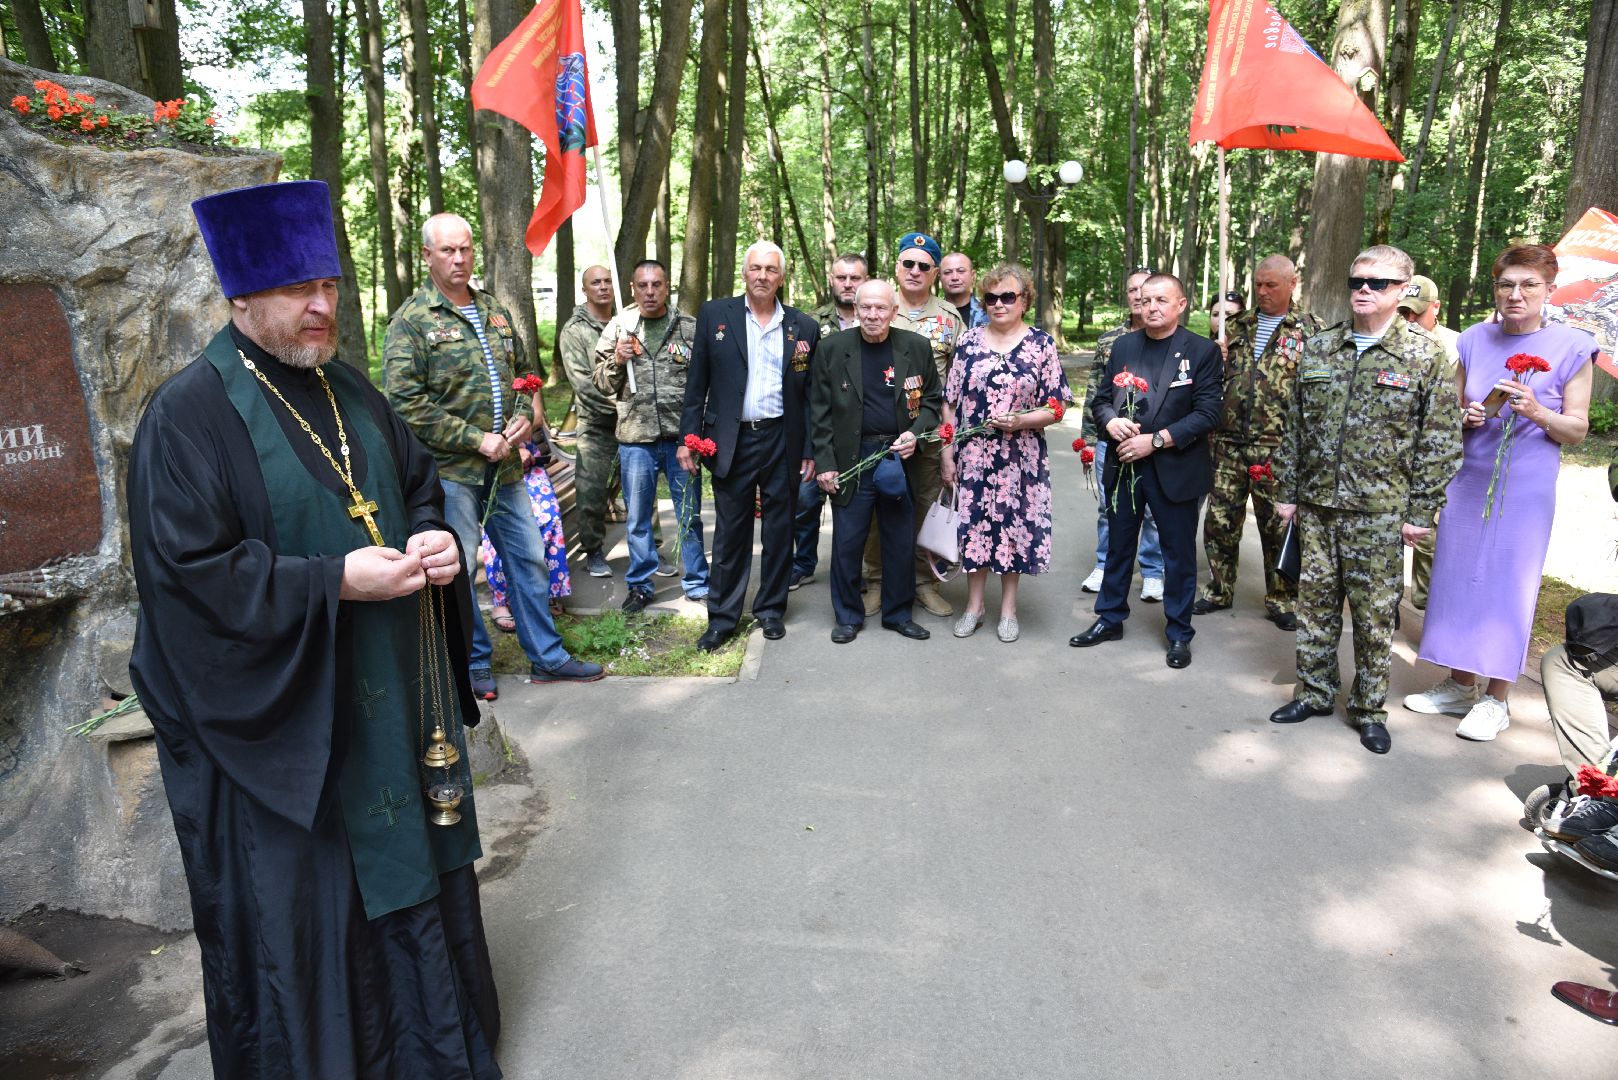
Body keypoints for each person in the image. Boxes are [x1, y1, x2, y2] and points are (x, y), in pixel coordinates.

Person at [127, 180, 501, 1077]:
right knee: (312, 901)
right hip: (285, 724)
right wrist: (333, 581)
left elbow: (413, 486)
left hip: (389, 699)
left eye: (330, 286)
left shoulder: (351, 392)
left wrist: (436, 540)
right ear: (243, 298)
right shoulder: (186, 419)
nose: (322, 308)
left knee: (405, 860)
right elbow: (191, 580)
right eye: (301, 292)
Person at [385, 212, 603, 693]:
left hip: (506, 469)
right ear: (427, 255)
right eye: (447, 250)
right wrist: (474, 438)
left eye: (465, 249)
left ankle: (546, 656)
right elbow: (404, 403)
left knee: (528, 558)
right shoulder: (412, 322)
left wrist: (526, 415)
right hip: (451, 473)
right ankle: (472, 663)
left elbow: (526, 373)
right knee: (458, 568)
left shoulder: (494, 310)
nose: (459, 258)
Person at [1268, 244, 1461, 754]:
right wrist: (1285, 492)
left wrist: (1420, 512)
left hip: (1380, 512)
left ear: (1403, 291)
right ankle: (1313, 691)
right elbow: (1295, 426)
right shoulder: (1322, 347)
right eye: (1357, 282)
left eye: (1377, 283)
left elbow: (1439, 441)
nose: (1364, 292)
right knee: (1314, 608)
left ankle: (1369, 708)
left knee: (1375, 616)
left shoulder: (1425, 355)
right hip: (1315, 505)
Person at [1404, 244, 1598, 740]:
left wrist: (1537, 410)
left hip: (1526, 486)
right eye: (1506, 284)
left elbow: (1576, 430)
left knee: (1508, 586)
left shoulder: (1573, 347)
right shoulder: (1473, 339)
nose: (1515, 294)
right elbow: (1448, 413)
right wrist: (1467, 417)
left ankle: (1497, 698)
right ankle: (1458, 684)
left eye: (1528, 284)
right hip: (1470, 478)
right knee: (1456, 577)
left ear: (1549, 290)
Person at [1071, 272, 1223, 668]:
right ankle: (1109, 618)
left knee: (1178, 555)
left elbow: (1208, 414)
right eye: (1146, 299)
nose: (1152, 307)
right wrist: (1109, 423)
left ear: (1181, 305)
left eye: (1161, 300)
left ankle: (1178, 633)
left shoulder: (1202, 351)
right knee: (1119, 546)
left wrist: (1155, 441)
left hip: (1175, 467)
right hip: (1125, 465)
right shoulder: (1124, 346)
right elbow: (1102, 399)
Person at [679, 240, 819, 651]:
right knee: (730, 532)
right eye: (755, 268)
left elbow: (810, 395)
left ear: (782, 277)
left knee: (780, 528)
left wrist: (809, 448)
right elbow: (696, 383)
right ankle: (722, 618)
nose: (762, 276)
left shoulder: (803, 327)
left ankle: (771, 609)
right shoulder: (714, 315)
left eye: (771, 270)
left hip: (782, 437)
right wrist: (689, 439)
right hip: (731, 439)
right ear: (745, 272)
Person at [941, 264, 1072, 642]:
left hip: (1021, 457)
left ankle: (1009, 609)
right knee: (975, 530)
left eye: (1008, 297)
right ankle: (975, 605)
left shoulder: (1041, 345)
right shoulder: (967, 342)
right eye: (991, 298)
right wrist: (948, 452)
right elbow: (950, 404)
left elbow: (1059, 405)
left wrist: (1024, 420)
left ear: (1025, 300)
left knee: (1015, 530)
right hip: (974, 457)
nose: (999, 304)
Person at [811, 280, 941, 642]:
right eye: (864, 307)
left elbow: (931, 401)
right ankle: (848, 615)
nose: (872, 315)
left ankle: (898, 614)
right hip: (851, 459)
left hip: (899, 457)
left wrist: (916, 433)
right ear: (855, 308)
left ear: (893, 311)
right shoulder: (832, 349)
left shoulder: (915, 347)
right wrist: (825, 462)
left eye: (880, 308)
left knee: (899, 539)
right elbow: (818, 412)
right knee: (848, 541)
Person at [1195, 254, 1320, 630]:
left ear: (1292, 284)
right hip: (1228, 443)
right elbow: (1208, 381)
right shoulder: (1234, 328)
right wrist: (1210, 359)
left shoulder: (1312, 332)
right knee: (1220, 521)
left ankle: (1282, 598)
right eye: (1259, 285)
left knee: (1276, 525)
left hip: (1278, 447)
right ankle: (1219, 588)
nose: (1263, 292)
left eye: (1272, 285)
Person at [591, 259, 708, 612]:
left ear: (667, 286)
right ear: (632, 288)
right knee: (639, 518)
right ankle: (641, 584)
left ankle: (697, 581)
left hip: (680, 440)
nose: (650, 292)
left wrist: (699, 433)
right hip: (635, 439)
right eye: (642, 285)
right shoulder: (619, 328)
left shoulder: (688, 327)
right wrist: (615, 359)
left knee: (689, 514)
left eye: (656, 284)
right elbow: (600, 382)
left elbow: (706, 382)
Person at [872, 230, 966, 619]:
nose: (914, 271)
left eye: (923, 266)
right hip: (880, 429)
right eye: (907, 263)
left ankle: (922, 584)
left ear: (934, 274)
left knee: (925, 508)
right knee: (879, 507)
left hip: (928, 431)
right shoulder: (878, 306)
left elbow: (957, 389)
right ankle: (876, 581)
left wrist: (950, 447)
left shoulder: (949, 318)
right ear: (896, 268)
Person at [1081, 268, 1165, 601]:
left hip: (1154, 442)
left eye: (1145, 290)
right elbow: (1094, 393)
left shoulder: (1175, 340)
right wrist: (1089, 440)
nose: (1139, 297)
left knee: (1153, 511)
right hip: (1111, 439)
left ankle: (1153, 571)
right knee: (1110, 505)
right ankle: (1106, 564)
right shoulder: (1110, 341)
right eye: (1132, 290)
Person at [798, 252, 870, 589]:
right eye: (842, 277)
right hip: (821, 429)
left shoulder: (875, 318)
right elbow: (802, 382)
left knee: (859, 507)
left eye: (855, 278)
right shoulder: (811, 323)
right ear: (831, 279)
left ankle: (859, 571)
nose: (848, 284)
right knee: (806, 500)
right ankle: (803, 563)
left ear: (865, 280)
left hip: (863, 433)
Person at [1397, 274, 1462, 610]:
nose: (1409, 320)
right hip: (1395, 456)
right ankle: (1389, 606)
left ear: (1435, 307)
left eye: (1416, 313)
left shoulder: (1455, 346)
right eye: (1403, 312)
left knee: (1427, 537)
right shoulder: (1391, 338)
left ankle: (1426, 606)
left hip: (1433, 454)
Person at [557, 264, 620, 579]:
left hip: (633, 424)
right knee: (591, 490)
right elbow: (583, 384)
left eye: (608, 281)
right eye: (596, 282)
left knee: (642, 488)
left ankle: (650, 550)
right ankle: (593, 551)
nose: (604, 287)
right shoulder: (575, 330)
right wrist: (622, 409)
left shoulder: (627, 321)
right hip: (597, 425)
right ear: (585, 289)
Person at [480, 442, 570, 630]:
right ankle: (501, 601)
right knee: (499, 520)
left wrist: (517, 445)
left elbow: (534, 417)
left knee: (549, 516)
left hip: (527, 460)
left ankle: (545, 593)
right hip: (488, 460)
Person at [941, 251, 989, 329]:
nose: (955, 277)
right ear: (939, 277)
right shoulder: (930, 315)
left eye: (961, 271)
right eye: (948, 272)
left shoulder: (988, 313)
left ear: (973, 275)